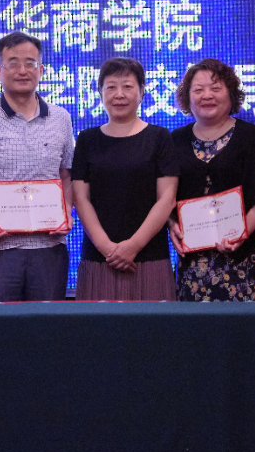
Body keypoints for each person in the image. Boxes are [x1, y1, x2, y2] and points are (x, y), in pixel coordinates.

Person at [0, 31, 75, 301]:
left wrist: (67, 211)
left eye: (30, 63)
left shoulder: (61, 118)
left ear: (41, 70)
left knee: (47, 323)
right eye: (13, 63)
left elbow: (67, 175)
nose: (22, 71)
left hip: (49, 246)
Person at [167, 59, 255, 301]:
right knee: (194, 322)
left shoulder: (250, 136)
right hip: (193, 260)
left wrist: (241, 233)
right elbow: (164, 195)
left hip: (241, 255)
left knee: (242, 323)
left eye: (216, 88)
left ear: (231, 94)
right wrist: (171, 224)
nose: (207, 95)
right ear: (187, 97)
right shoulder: (175, 140)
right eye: (198, 90)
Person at [72, 58, 179, 300]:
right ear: (100, 93)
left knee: (152, 324)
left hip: (149, 256)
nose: (119, 94)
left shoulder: (160, 137)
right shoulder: (87, 140)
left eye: (128, 86)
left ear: (141, 92)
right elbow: (80, 198)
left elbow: (167, 198)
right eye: (111, 87)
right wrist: (107, 248)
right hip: (99, 258)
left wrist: (133, 246)